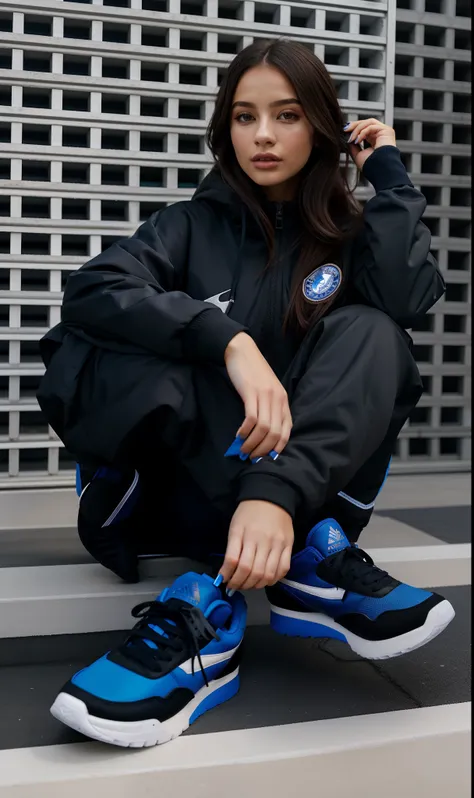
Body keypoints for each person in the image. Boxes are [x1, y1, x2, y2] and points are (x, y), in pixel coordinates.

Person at [39, 38, 455, 748]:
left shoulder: (350, 239)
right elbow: (93, 288)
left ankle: (215, 612)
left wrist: (389, 177)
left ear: (321, 125)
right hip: (173, 500)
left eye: (287, 115)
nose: (262, 135)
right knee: (117, 338)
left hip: (296, 495)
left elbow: (408, 299)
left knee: (374, 330)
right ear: (225, 129)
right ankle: (299, 569)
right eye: (243, 116)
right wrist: (228, 343)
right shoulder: (188, 225)